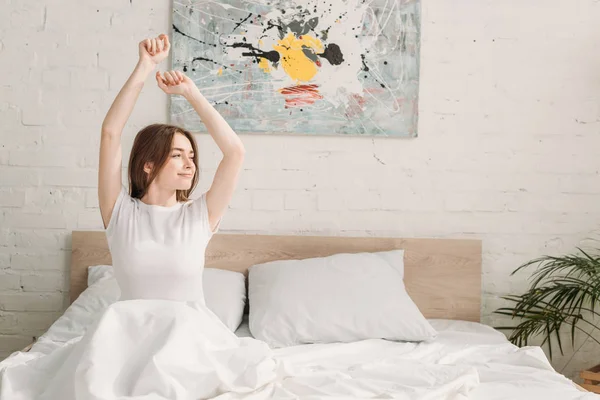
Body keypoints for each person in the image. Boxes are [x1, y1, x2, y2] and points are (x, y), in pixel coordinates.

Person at [0, 34, 279, 400]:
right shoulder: (120, 212)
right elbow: (110, 133)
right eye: (177, 155)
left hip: (189, 342)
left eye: (191, 156)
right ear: (149, 164)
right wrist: (144, 67)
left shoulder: (198, 216)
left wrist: (191, 93)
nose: (190, 163)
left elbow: (235, 153)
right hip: (125, 340)